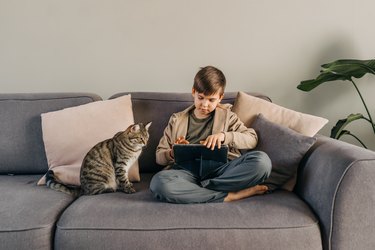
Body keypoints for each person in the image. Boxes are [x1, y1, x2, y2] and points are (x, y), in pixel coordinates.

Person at [150, 66, 272, 203]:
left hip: (221, 170)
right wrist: (172, 152)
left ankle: (198, 191)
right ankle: (229, 195)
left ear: (220, 98)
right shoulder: (176, 120)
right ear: (193, 92)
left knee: (263, 162)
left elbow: (252, 139)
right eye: (200, 98)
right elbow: (159, 157)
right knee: (158, 183)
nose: (204, 105)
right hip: (185, 173)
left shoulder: (228, 117)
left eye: (211, 100)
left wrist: (225, 136)